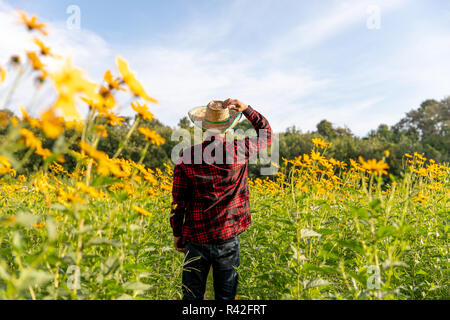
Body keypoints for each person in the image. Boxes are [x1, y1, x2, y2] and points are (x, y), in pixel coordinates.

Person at [170, 98, 272, 300]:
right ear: (228, 127)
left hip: (196, 238)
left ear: (203, 128)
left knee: (191, 297)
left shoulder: (187, 157)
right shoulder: (238, 150)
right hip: (228, 237)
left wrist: (177, 234)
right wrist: (246, 109)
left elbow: (178, 203)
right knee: (226, 298)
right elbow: (266, 134)